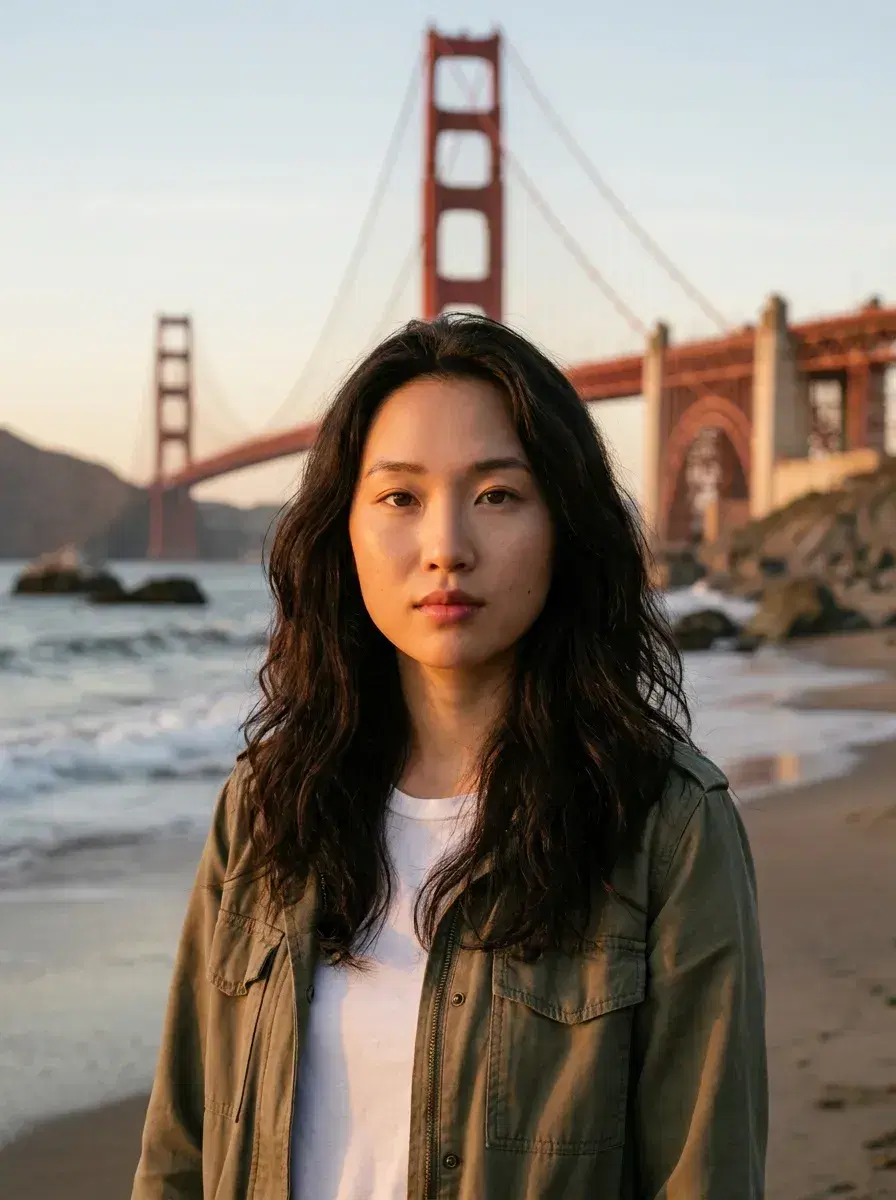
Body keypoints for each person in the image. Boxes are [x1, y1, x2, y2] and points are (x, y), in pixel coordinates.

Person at [132, 314, 767, 1200]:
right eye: (399, 497)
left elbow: (705, 1179)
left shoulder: (665, 828)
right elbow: (179, 1153)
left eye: (498, 495)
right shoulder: (268, 807)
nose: (446, 549)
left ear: (564, 524)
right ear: (342, 529)